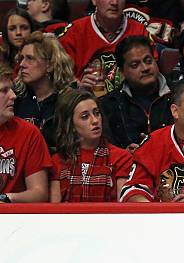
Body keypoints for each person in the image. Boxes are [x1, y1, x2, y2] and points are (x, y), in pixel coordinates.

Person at [50, 89, 132, 202]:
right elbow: (55, 211)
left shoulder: (121, 157)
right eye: (85, 116)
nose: (95, 121)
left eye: (96, 113)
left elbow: (122, 207)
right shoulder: (58, 161)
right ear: (71, 125)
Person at [58, 0, 152, 97]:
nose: (114, 3)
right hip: (85, 102)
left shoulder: (140, 31)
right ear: (94, 1)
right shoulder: (73, 34)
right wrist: (78, 87)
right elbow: (60, 80)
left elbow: (151, 75)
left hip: (131, 103)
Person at [100, 35, 173, 153]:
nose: (145, 68)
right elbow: (106, 148)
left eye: (148, 61)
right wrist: (123, 153)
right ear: (122, 72)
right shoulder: (111, 104)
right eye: (135, 65)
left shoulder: (178, 95)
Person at [13, 31, 75, 154]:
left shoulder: (69, 102)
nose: (22, 64)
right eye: (21, 58)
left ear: (50, 65)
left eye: (30, 58)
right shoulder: (14, 99)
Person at [0, 63, 52, 203]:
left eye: (11, 89)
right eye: (4, 90)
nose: (13, 96)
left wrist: (6, 198)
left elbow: (40, 193)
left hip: (15, 219)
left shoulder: (28, 133)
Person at [1, 8, 34, 72]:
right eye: (12, 28)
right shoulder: (1, 57)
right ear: (6, 32)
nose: (18, 33)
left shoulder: (41, 56)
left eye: (24, 28)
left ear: (32, 30)